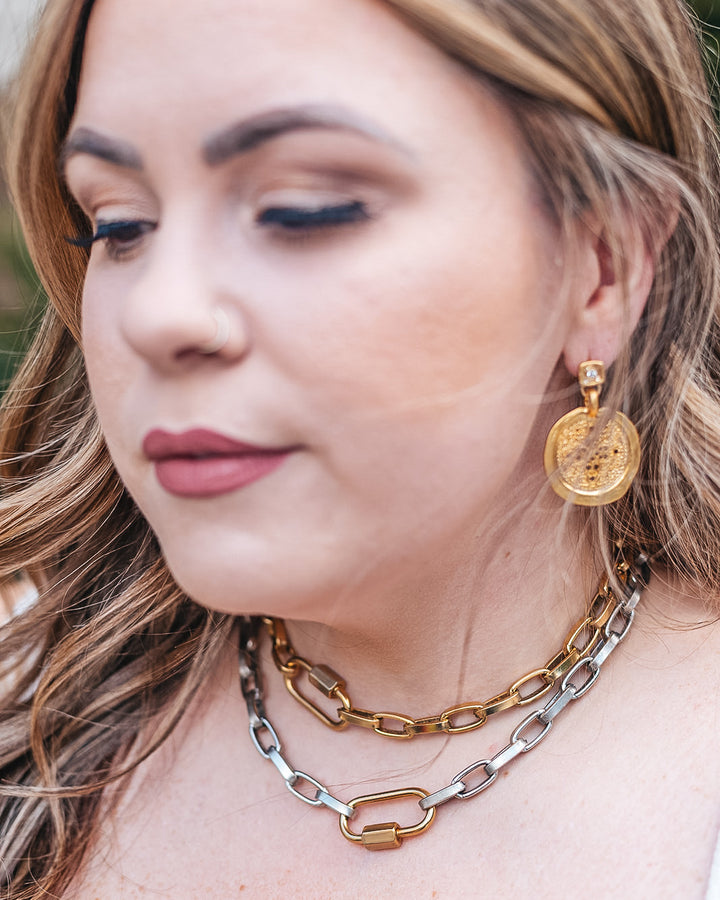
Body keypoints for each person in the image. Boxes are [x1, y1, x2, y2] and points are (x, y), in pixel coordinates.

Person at [2, 0, 720, 896]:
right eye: (118, 225)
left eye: (306, 209)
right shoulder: (20, 712)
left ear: (603, 268)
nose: (157, 312)